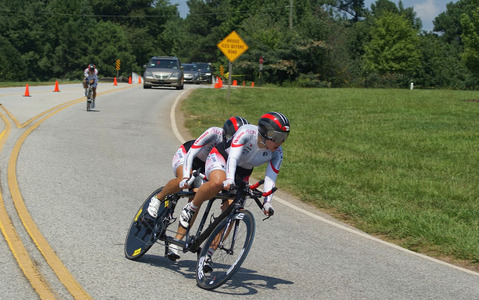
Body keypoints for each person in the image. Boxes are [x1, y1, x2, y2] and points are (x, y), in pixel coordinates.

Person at [177, 112, 290, 269]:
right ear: (264, 133)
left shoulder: (277, 153)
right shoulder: (247, 132)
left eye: (284, 137)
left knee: (233, 209)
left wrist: (267, 202)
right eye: (277, 137)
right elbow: (233, 158)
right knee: (218, 182)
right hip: (222, 157)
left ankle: (207, 255)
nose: (281, 142)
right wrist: (229, 180)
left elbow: (270, 178)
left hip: (242, 172)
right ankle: (191, 208)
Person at [145, 116, 249, 259]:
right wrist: (187, 176)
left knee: (199, 198)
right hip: (188, 157)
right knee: (184, 181)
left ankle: (177, 243)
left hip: (210, 168)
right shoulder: (214, 133)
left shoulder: (242, 150)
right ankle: (158, 199)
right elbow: (192, 152)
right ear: (225, 134)